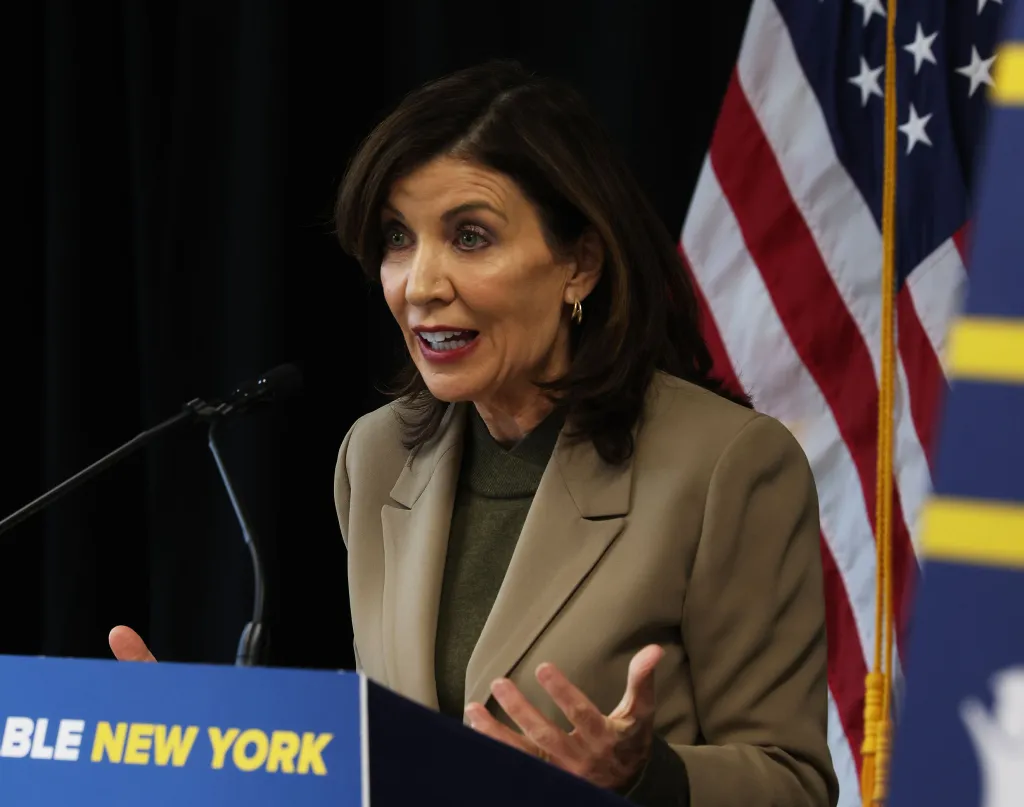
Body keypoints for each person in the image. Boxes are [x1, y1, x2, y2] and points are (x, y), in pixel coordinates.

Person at [111, 61, 839, 807]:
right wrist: (205, 746)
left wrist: (642, 775)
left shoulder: (726, 464)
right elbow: (387, 756)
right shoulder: (375, 457)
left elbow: (793, 781)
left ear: (579, 264)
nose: (420, 284)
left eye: (469, 236)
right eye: (399, 237)